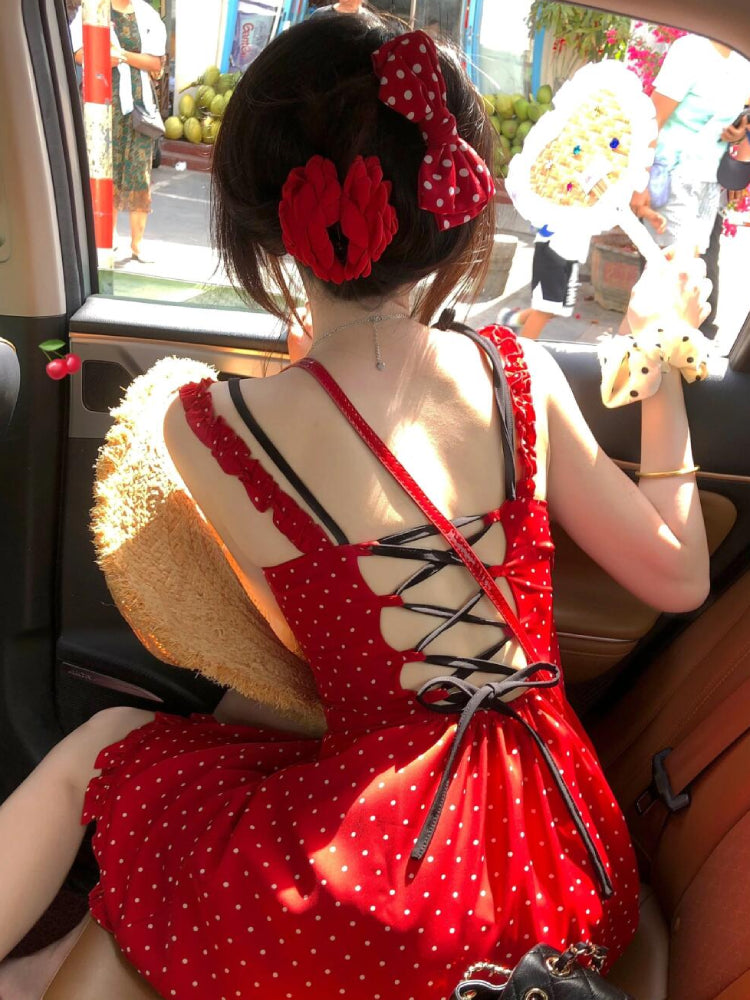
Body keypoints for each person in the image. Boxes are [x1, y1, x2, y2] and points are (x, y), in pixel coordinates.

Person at [0, 13, 711, 998]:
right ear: (454, 210)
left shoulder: (204, 429)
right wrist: (660, 369)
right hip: (561, 867)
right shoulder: (521, 375)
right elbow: (679, 577)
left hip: (388, 892)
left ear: (255, 214)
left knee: (108, 753)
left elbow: (303, 660)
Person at [631, 33, 750, 335]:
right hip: (673, 178)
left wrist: (737, 135)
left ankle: (677, 352)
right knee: (669, 282)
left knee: (692, 281)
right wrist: (640, 180)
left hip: (708, 185)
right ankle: (645, 352)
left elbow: (742, 118)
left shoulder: (741, 60)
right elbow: (653, 119)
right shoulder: (691, 50)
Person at [69, 0, 166, 263]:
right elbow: (77, 52)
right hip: (103, 105)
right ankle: (108, 237)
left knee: (139, 172)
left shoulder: (147, 14)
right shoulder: (93, 8)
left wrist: (121, 55)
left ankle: (137, 244)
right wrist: (102, 56)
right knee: (105, 169)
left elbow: (155, 62)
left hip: (139, 108)